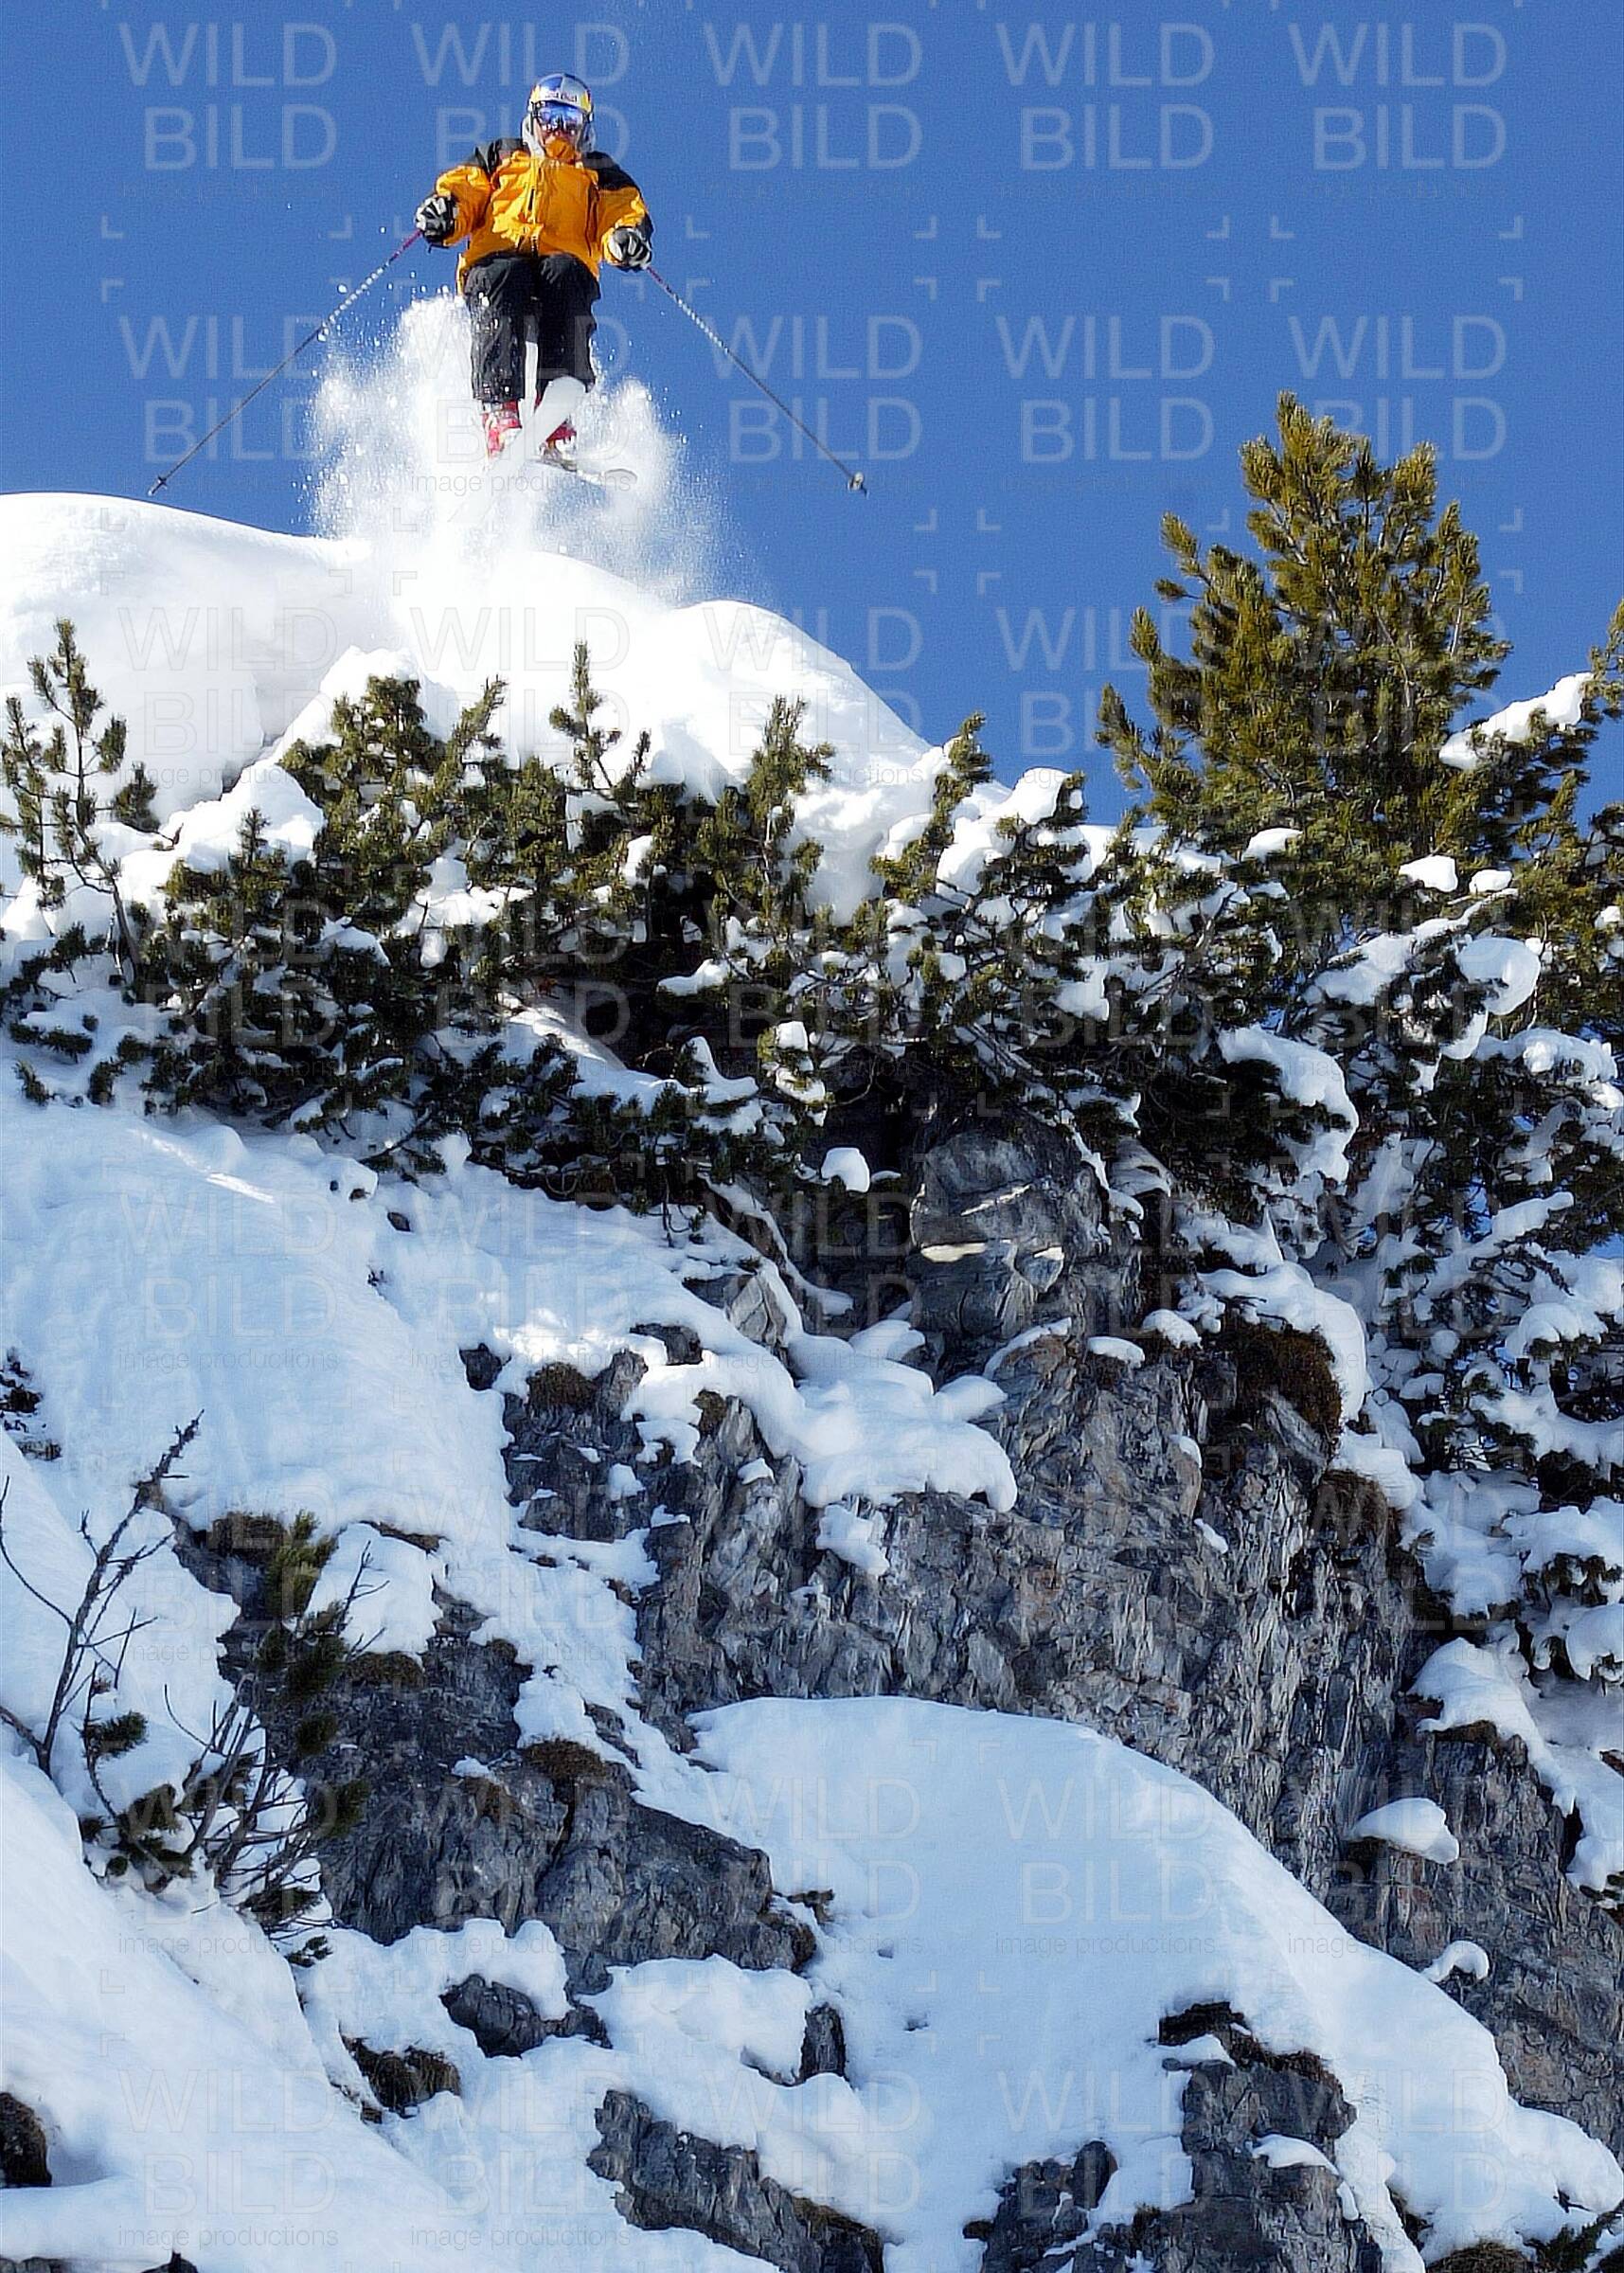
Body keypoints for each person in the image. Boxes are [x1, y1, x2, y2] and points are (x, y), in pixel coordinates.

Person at [415, 74, 652, 462]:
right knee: (504, 275)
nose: (559, 129)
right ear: (533, 118)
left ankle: (554, 412)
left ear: (585, 127)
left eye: (570, 120)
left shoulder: (598, 171)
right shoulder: (502, 155)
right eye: (550, 116)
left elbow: (622, 212)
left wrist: (624, 238)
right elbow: (465, 190)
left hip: (559, 270)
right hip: (498, 265)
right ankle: (500, 411)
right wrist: (447, 210)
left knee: (566, 274)